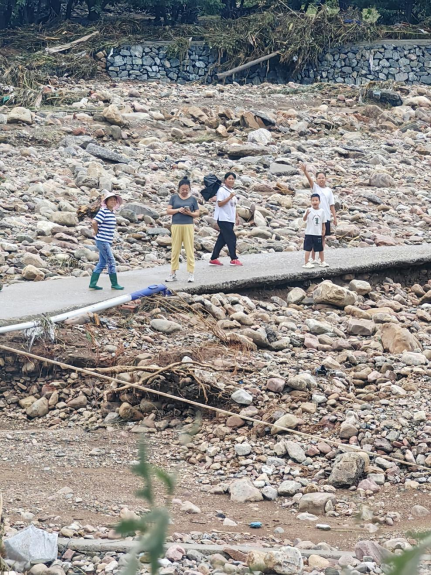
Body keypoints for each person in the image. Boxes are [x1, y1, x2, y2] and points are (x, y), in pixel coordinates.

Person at [300, 163, 337, 263]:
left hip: (326, 217)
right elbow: (309, 180)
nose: (321, 179)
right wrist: (305, 171)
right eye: (319, 178)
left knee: (322, 237)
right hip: (315, 216)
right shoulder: (315, 188)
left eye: (323, 178)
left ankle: (321, 258)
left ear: (326, 179)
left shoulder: (329, 191)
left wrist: (334, 217)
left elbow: (331, 205)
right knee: (314, 236)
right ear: (316, 179)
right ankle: (312, 258)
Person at [166, 178, 200, 283]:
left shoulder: (193, 199)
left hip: (188, 225)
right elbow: (168, 210)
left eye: (186, 189)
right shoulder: (174, 198)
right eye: (182, 189)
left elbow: (197, 213)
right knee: (175, 250)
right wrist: (178, 210)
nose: (184, 191)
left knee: (189, 249)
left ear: (189, 189)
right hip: (176, 225)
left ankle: (191, 273)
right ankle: (173, 273)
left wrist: (189, 213)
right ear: (179, 189)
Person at [89, 191, 124, 291]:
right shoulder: (103, 211)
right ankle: (114, 284)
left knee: (102, 262)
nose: (113, 201)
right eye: (111, 200)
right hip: (102, 240)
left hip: (106, 241)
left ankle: (92, 284)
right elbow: (94, 222)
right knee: (111, 261)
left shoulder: (111, 213)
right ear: (106, 202)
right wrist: (96, 232)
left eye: (114, 200)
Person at [209, 172, 243, 267]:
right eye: (229, 178)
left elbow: (234, 206)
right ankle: (233, 258)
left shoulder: (232, 191)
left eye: (233, 179)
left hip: (230, 218)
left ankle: (213, 258)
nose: (231, 180)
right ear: (225, 180)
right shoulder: (222, 190)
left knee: (222, 239)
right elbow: (220, 204)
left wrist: (237, 216)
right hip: (223, 218)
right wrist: (229, 197)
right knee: (231, 237)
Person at [303, 194, 329, 269]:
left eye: (316, 200)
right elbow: (304, 219)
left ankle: (322, 261)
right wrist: (306, 214)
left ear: (319, 201)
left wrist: (323, 230)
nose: (315, 202)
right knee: (308, 248)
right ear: (311, 201)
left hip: (317, 233)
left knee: (320, 248)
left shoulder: (322, 211)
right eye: (313, 200)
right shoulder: (309, 210)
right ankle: (306, 262)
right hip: (309, 233)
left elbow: (323, 222)